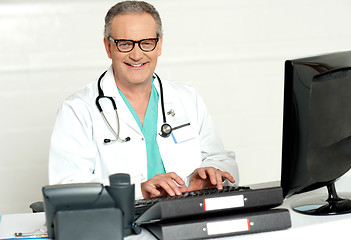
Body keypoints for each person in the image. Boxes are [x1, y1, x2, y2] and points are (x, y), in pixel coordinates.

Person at [49, 0, 239, 199]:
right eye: (125, 44)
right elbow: (67, 188)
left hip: (186, 217)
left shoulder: (187, 97)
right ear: (108, 47)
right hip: (119, 223)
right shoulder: (78, 109)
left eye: (146, 43)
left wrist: (212, 173)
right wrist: (139, 190)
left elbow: (222, 159)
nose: (137, 55)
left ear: (159, 45)